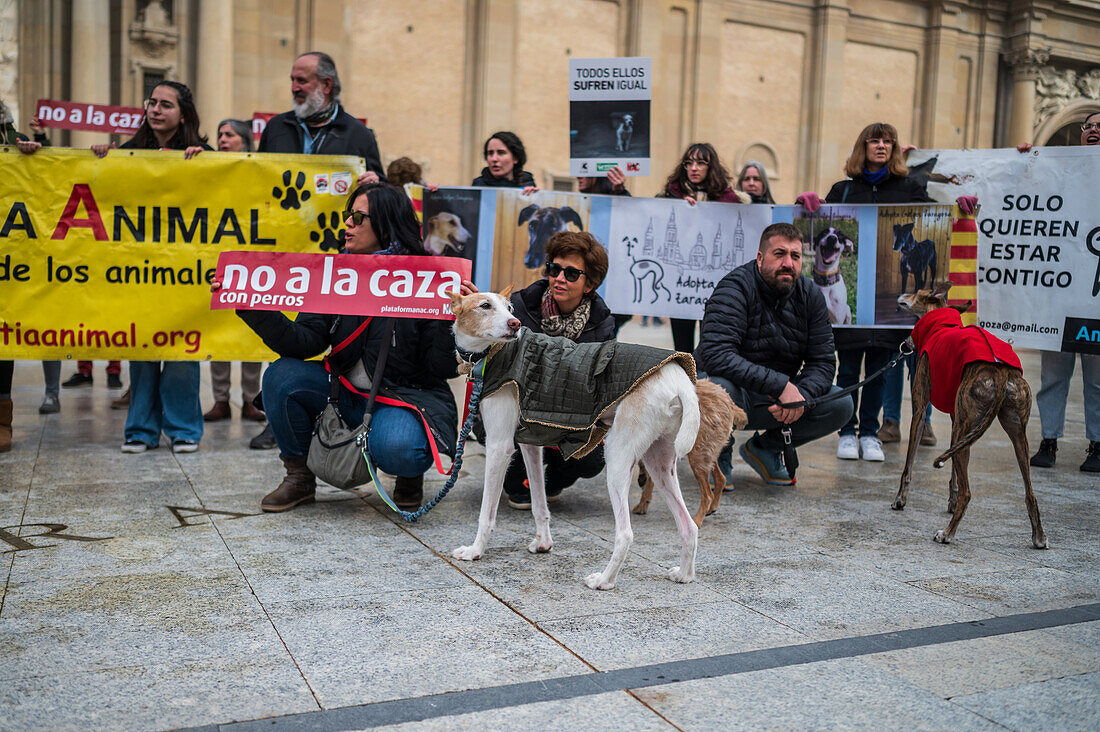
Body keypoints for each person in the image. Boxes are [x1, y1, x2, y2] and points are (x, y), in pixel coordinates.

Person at [230, 183, 461, 512]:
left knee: (400, 448)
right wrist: (253, 306)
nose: (347, 225)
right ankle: (299, 479)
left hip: (404, 397)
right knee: (281, 376)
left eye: (357, 217)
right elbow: (305, 341)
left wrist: (454, 321)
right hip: (344, 393)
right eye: (347, 216)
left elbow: (441, 368)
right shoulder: (337, 272)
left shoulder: (428, 276)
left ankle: (409, 474)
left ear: (385, 221)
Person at [796, 122, 935, 462]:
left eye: (888, 141)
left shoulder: (910, 188)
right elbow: (817, 212)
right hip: (853, 313)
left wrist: (962, 207)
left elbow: (936, 213)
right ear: (863, 147)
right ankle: (846, 431)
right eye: (875, 140)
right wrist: (806, 201)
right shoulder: (843, 190)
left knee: (880, 370)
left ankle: (870, 433)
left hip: (887, 306)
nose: (882, 146)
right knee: (845, 370)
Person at [93, 81, 210, 453]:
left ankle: (183, 431)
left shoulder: (203, 154)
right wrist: (97, 160)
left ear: (183, 113)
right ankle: (140, 431)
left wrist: (206, 163)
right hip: (140, 271)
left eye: (165, 104)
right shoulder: (128, 152)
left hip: (183, 273)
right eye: (152, 103)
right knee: (143, 351)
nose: (156, 110)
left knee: (180, 352)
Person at [696, 222, 852, 485]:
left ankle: (766, 448)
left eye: (795, 256)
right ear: (760, 258)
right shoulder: (734, 287)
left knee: (841, 404)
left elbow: (823, 361)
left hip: (779, 400)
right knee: (716, 388)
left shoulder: (811, 295)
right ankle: (718, 456)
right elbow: (716, 354)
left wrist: (801, 394)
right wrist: (780, 385)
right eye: (779, 254)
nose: (788, 263)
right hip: (736, 393)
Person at [501, 231, 616, 509]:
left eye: (572, 273)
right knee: (514, 486)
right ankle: (524, 478)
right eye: (554, 268)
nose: (559, 278)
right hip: (520, 412)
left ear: (590, 284)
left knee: (592, 461)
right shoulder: (517, 306)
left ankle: (550, 480)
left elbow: (597, 382)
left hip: (569, 414)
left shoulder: (603, 323)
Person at [1020, 112, 1100, 473]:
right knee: (1053, 375)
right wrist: (1024, 163)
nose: (1094, 130)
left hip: (1096, 298)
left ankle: (1097, 444)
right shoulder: (1059, 173)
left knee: (1098, 379)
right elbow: (1025, 200)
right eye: (1089, 126)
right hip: (1058, 298)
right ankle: (1048, 440)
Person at [203, 119, 266, 425]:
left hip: (252, 254)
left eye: (230, 134)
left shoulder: (259, 172)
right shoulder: (211, 171)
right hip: (219, 253)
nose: (223, 139)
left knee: (250, 328)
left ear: (245, 140)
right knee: (219, 328)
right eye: (220, 135)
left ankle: (251, 400)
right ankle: (220, 400)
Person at [659, 143, 748, 354]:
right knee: (682, 347)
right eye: (689, 163)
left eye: (700, 163)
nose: (694, 168)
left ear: (711, 167)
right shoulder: (670, 197)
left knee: (711, 345)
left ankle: (707, 386)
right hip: (680, 286)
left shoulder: (729, 200)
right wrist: (679, 207)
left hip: (713, 287)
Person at [258, 51, 384, 186]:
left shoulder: (358, 134)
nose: (294, 88)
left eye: (301, 80)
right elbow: (257, 176)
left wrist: (374, 183)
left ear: (326, 85)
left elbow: (384, 191)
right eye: (292, 80)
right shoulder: (276, 127)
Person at [471, 131, 538, 194]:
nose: (494, 159)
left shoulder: (526, 183)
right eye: (490, 153)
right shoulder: (478, 187)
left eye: (501, 153)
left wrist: (529, 198)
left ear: (515, 158)